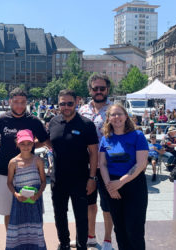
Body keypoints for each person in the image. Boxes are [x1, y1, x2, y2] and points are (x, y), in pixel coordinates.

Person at [0, 88, 48, 230]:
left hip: (29, 170)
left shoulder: (34, 121)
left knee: (30, 207)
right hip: (5, 170)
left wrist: (30, 147)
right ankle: (11, 240)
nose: (19, 105)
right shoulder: (2, 119)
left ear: (26, 102)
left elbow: (45, 140)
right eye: (16, 102)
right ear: (10, 102)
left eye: (22, 102)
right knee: (8, 210)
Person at [48, 89, 98, 250]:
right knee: (59, 215)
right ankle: (64, 244)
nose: (66, 107)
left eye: (70, 103)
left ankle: (81, 245)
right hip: (58, 179)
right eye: (62, 104)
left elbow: (94, 153)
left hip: (80, 179)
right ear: (58, 104)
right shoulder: (54, 122)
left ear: (77, 102)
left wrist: (92, 178)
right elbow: (49, 143)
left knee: (81, 217)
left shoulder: (86, 124)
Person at [99, 103, 149, 250]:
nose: (116, 117)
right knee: (119, 229)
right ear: (108, 119)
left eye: (119, 113)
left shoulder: (137, 135)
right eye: (112, 115)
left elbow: (141, 164)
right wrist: (109, 186)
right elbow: (102, 164)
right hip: (112, 187)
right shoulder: (105, 139)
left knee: (134, 230)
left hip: (134, 185)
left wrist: (120, 182)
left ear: (126, 116)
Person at [77, 73, 114, 249]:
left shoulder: (115, 110)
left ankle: (107, 239)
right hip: (86, 166)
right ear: (90, 90)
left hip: (108, 166)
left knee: (107, 206)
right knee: (89, 204)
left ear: (107, 89)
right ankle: (90, 236)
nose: (98, 91)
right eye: (95, 88)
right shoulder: (82, 110)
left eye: (102, 88)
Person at [6, 129, 47, 249]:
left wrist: (39, 193)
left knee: (35, 226)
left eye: (29, 143)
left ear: (33, 143)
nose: (26, 146)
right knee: (18, 226)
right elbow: (9, 183)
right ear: (17, 144)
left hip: (35, 201)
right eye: (22, 143)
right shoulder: (13, 162)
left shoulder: (38, 160)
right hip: (19, 201)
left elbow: (43, 181)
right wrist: (16, 194)